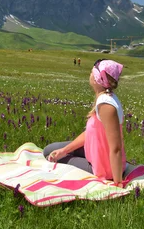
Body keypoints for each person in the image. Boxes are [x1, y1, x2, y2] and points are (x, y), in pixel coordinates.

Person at [43, 59, 126, 187]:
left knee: (50, 156)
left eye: (92, 72)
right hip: (95, 151)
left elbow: (116, 148)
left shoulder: (106, 106)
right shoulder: (104, 98)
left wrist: (117, 182)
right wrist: (64, 151)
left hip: (104, 167)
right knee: (51, 150)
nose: (90, 74)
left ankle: (114, 173)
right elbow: (91, 133)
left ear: (98, 79)